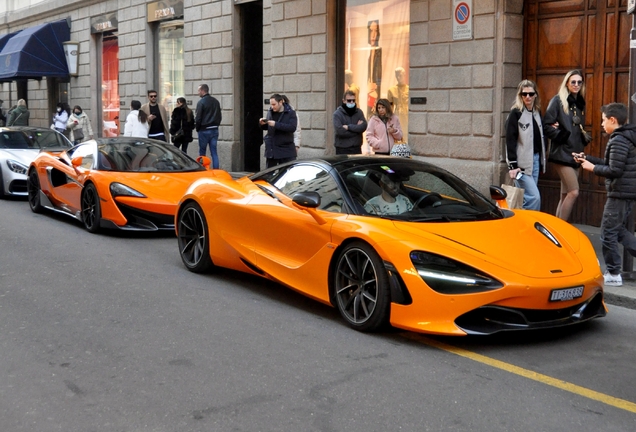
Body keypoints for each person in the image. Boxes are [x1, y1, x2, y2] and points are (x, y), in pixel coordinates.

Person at [576, 103, 636, 287]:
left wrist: (592, 168)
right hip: (625, 192)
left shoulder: (618, 139)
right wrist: (588, 159)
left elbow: (615, 170)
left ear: (613, 120)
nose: (601, 124)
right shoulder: (625, 137)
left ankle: (613, 273)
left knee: (608, 233)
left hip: (619, 193)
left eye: (603, 120)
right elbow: (612, 163)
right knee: (618, 231)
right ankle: (614, 271)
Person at [543, 69, 589, 221]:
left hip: (575, 154)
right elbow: (546, 125)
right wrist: (562, 135)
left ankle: (556, 229)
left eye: (579, 82)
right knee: (574, 192)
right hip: (561, 153)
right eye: (573, 82)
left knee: (565, 195)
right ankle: (562, 230)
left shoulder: (580, 102)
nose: (576, 85)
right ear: (567, 83)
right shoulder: (558, 100)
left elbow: (577, 129)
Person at [505, 80, 547, 211]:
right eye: (524, 94)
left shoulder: (536, 112)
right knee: (534, 198)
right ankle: (528, 224)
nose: (527, 97)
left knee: (526, 197)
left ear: (535, 95)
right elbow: (510, 140)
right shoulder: (516, 113)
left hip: (535, 160)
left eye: (530, 94)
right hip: (520, 165)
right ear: (520, 95)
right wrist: (513, 165)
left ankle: (520, 226)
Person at [260, 93, 298, 168]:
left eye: (274, 104)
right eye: (271, 104)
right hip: (272, 149)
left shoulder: (291, 113)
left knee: (287, 174)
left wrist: (275, 124)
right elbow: (268, 128)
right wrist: (263, 124)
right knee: (269, 175)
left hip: (285, 150)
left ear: (280, 102)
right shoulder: (270, 111)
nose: (272, 107)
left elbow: (292, 128)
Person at [195, 84, 222, 168]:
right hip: (214, 129)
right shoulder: (215, 101)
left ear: (203, 91)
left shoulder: (201, 102)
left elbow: (198, 117)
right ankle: (216, 170)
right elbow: (219, 116)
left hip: (204, 129)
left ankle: (203, 170)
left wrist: (198, 128)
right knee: (214, 152)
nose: (198, 92)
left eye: (199, 90)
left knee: (202, 152)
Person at [333, 90, 367, 155]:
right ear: (344, 101)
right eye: (349, 100)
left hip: (356, 148)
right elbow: (340, 132)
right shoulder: (337, 114)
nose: (351, 102)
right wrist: (357, 131)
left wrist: (348, 127)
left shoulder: (359, 112)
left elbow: (363, 126)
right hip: (342, 149)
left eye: (353, 100)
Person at [367, 19, 382, 118]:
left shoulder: (379, 52)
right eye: (371, 31)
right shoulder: (369, 52)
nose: (373, 35)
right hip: (370, 91)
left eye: (375, 31)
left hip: (375, 91)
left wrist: (376, 85)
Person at [387, 67, 409, 133]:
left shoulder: (409, 89)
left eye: (400, 75)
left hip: (407, 114)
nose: (398, 78)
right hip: (397, 114)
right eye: (397, 76)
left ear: (404, 75)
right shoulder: (391, 90)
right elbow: (390, 107)